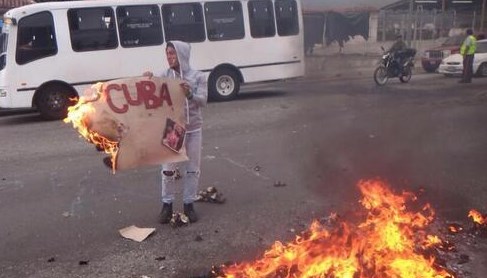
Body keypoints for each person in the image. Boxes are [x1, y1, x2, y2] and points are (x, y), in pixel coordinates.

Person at [143, 41, 208, 224]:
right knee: (168, 170)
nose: (169, 57)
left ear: (182, 55)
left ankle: (189, 204)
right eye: (167, 53)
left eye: (172, 53)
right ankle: (167, 205)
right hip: (173, 129)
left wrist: (190, 94)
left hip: (194, 128)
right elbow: (151, 91)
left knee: (192, 169)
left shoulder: (197, 76)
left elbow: (203, 101)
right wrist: (145, 80)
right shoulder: (164, 75)